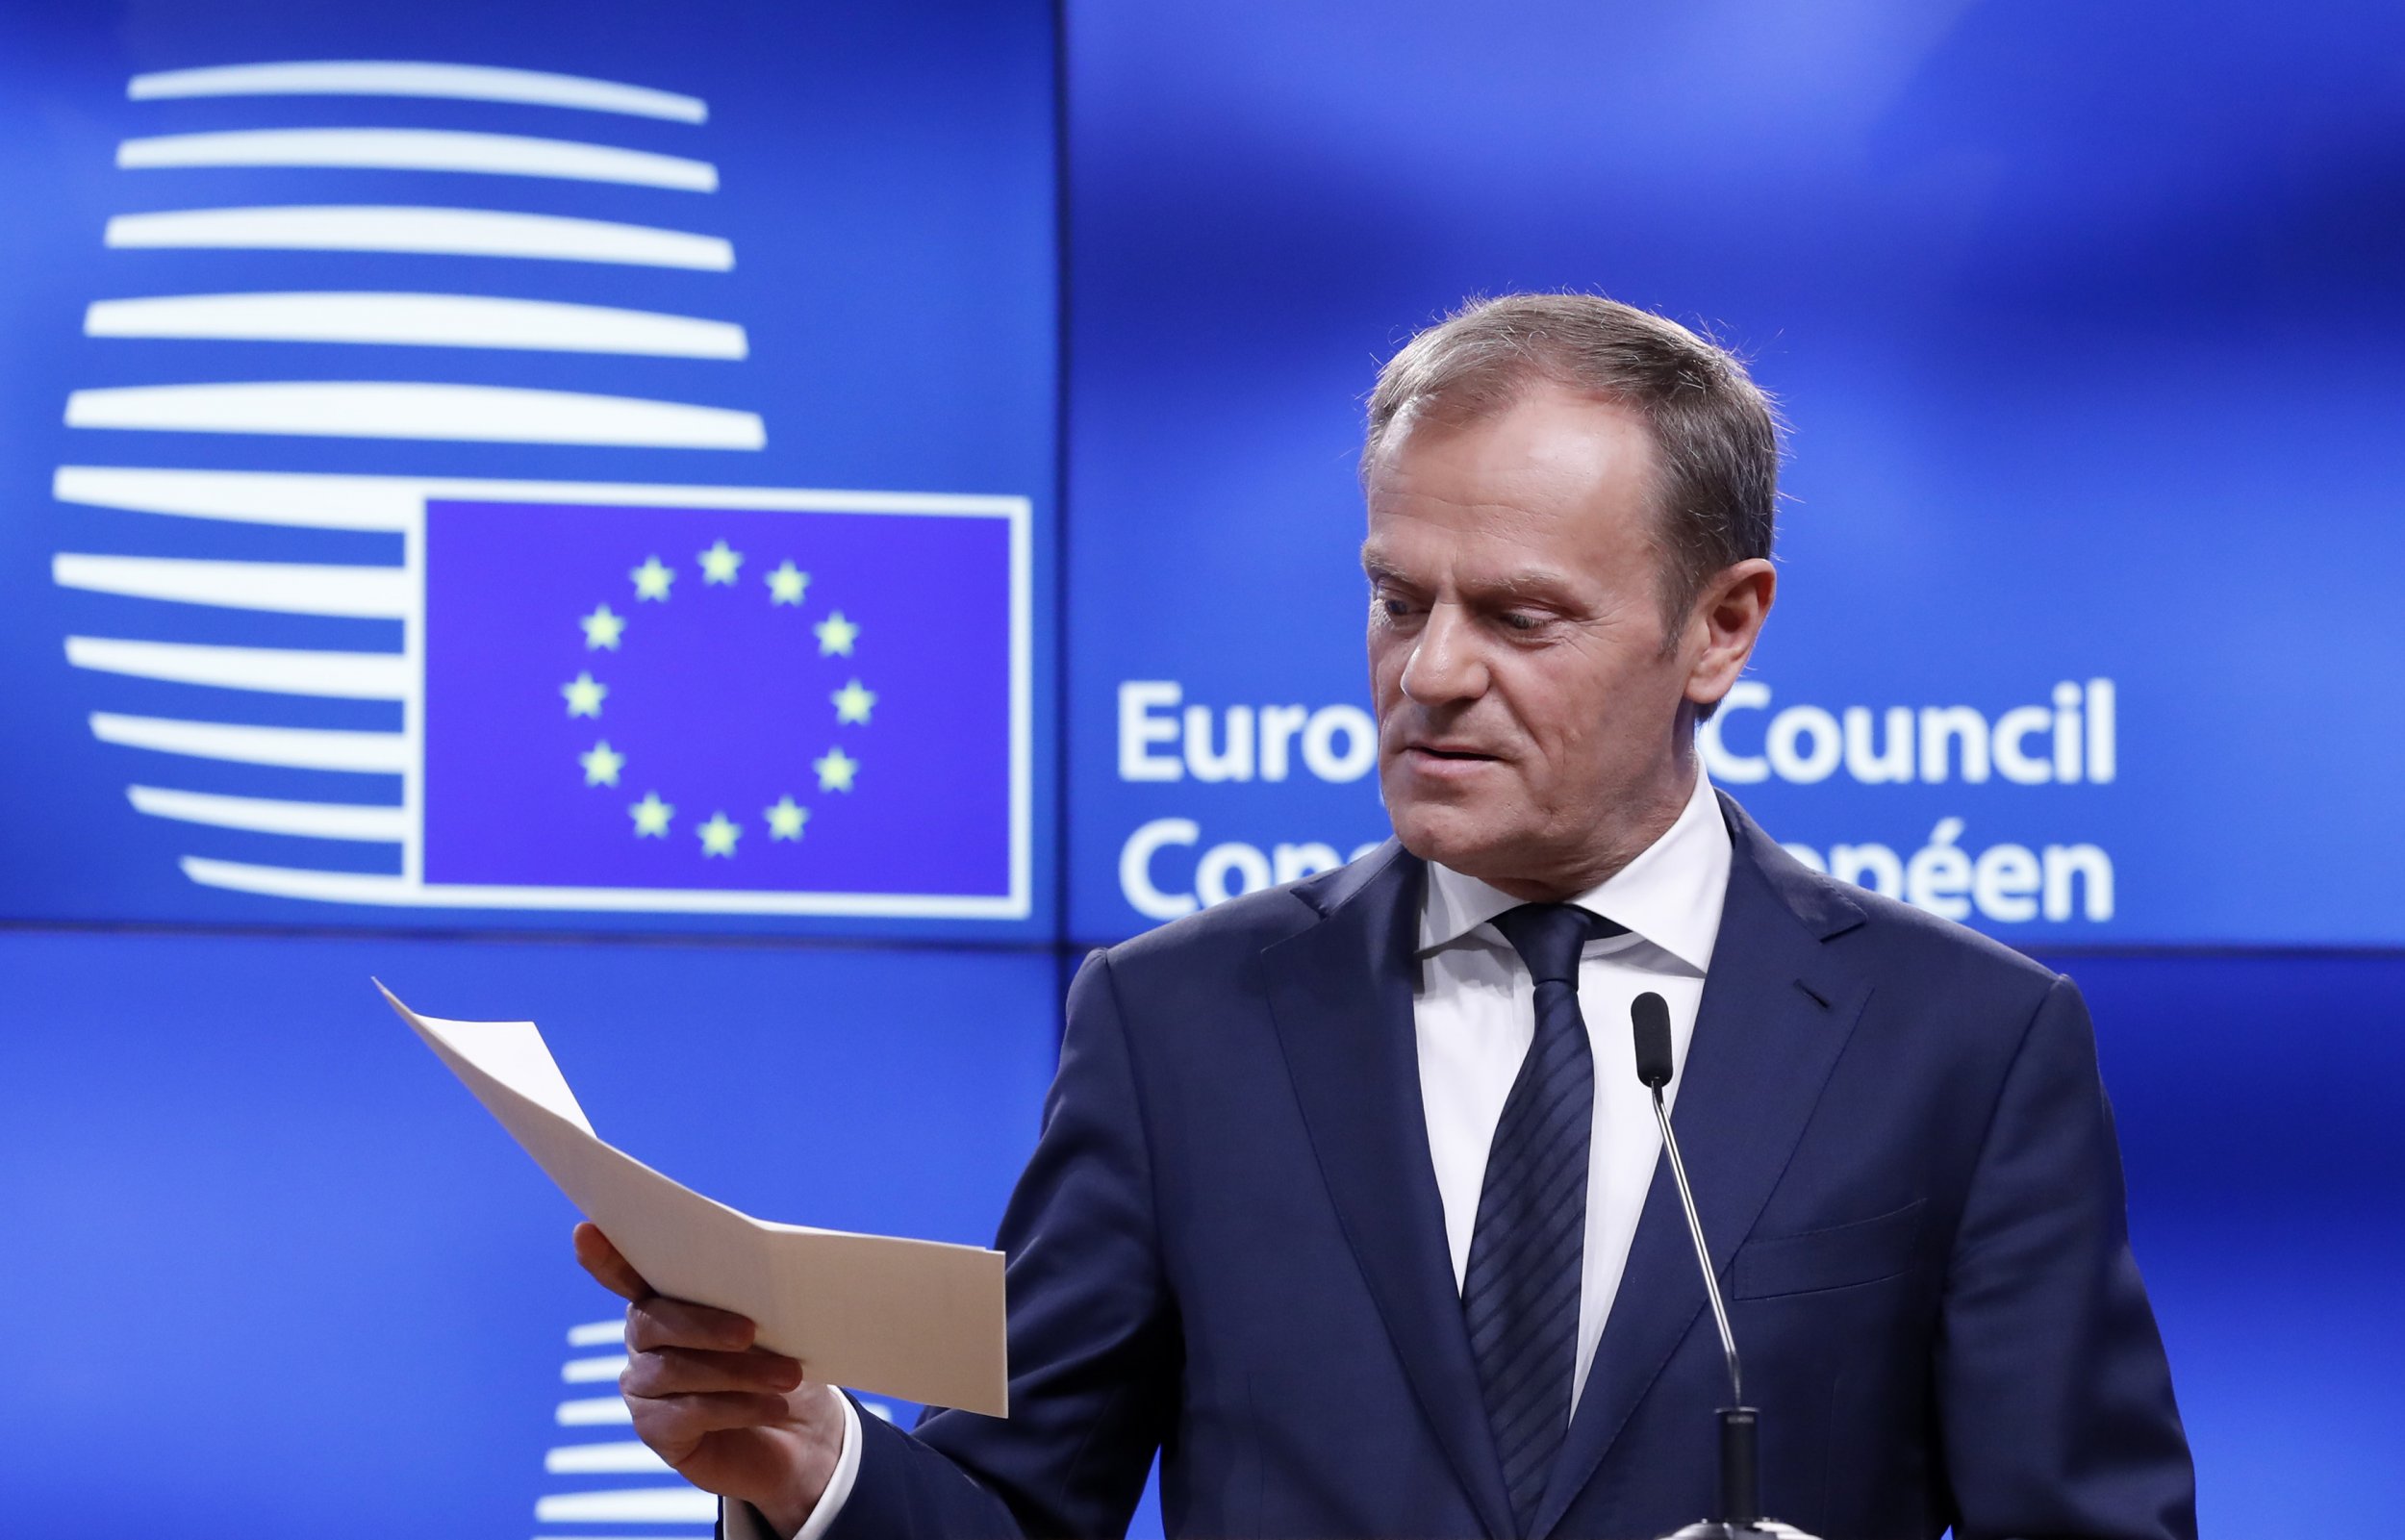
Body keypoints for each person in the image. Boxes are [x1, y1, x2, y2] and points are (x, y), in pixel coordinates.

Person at [574, 293, 2196, 1540]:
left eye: (1520, 616)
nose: (1430, 673)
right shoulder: (1179, 1023)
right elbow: (1017, 1509)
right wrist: (813, 1461)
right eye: (1397, 597)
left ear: (1722, 627)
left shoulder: (1964, 1046)